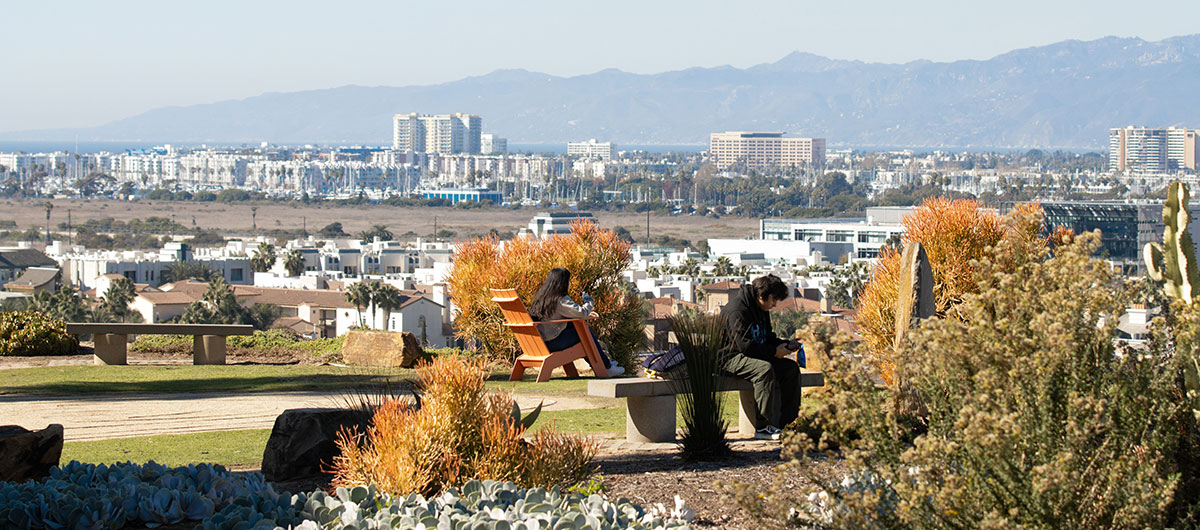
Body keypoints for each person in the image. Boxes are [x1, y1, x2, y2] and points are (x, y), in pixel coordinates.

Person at [720, 274, 803, 440]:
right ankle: (763, 427)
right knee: (764, 370)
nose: (774, 305)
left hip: (752, 354)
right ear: (761, 295)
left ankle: (789, 424)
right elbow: (745, 346)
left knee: (791, 369)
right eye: (773, 300)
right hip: (729, 357)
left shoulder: (761, 308)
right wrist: (774, 352)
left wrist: (785, 344)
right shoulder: (737, 310)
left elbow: (767, 337)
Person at [528, 267, 625, 377]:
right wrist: (588, 301)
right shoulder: (560, 299)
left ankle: (603, 364)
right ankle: (606, 367)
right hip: (554, 342)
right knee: (585, 334)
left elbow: (566, 314)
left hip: (542, 342)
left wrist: (584, 314)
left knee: (577, 330)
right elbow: (581, 312)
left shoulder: (541, 298)